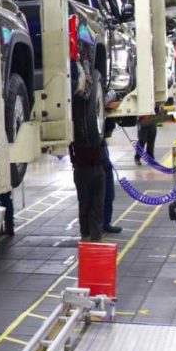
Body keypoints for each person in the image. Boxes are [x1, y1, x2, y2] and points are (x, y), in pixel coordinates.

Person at [70, 66, 107, 242]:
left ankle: (92, 234)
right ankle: (89, 234)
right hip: (86, 168)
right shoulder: (81, 117)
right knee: (88, 204)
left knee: (92, 204)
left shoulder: (87, 117)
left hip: (89, 168)